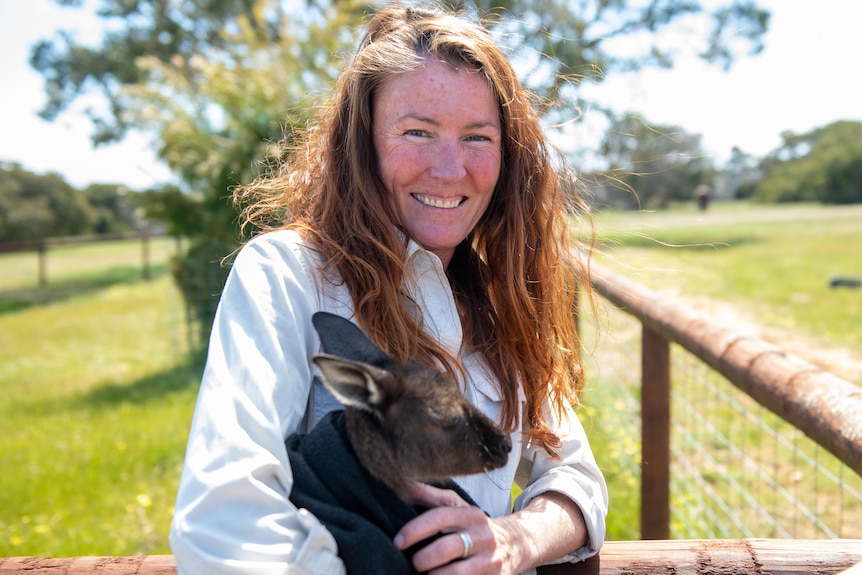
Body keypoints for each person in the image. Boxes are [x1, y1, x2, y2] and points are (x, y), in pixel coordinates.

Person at [169, 3, 608, 574]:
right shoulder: (289, 275)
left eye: (477, 137)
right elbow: (222, 524)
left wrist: (514, 539)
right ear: (363, 143)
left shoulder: (500, 302)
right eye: (418, 132)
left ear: (508, 155)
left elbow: (575, 477)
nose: (451, 170)